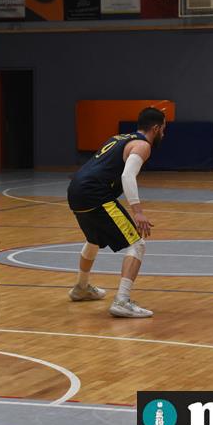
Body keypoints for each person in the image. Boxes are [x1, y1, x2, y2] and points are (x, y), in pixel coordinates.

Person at [66, 107, 166, 318]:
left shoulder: (120, 138)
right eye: (164, 129)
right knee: (137, 244)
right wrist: (137, 212)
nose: (164, 134)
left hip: (75, 190)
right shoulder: (142, 145)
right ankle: (122, 300)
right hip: (95, 194)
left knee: (94, 240)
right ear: (156, 128)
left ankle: (81, 288)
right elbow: (127, 176)